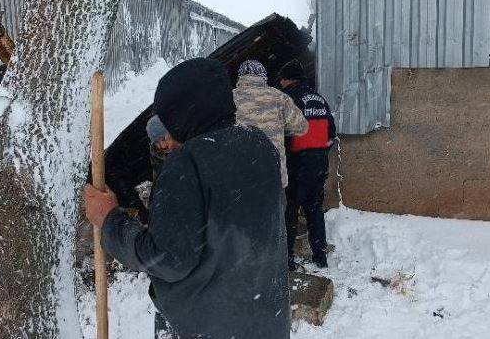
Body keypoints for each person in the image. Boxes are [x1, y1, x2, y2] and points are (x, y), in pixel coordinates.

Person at [84, 58, 290, 339]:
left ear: (185, 116)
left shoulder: (188, 164)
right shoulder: (260, 145)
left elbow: (167, 259)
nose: (164, 140)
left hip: (205, 327)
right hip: (265, 320)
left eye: (167, 124)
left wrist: (109, 219)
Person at [278, 60, 337, 270]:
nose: (280, 82)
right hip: (318, 165)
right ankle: (320, 257)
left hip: (296, 165)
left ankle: (287, 260)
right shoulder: (319, 99)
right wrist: (319, 153)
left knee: (290, 212)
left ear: (287, 79)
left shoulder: (287, 99)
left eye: (281, 79)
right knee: (314, 211)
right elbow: (331, 133)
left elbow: (282, 135)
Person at [232, 59, 307, 188]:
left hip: (240, 178)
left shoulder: (230, 98)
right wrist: (280, 129)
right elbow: (301, 127)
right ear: (264, 76)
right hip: (273, 177)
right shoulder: (280, 97)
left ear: (240, 77)